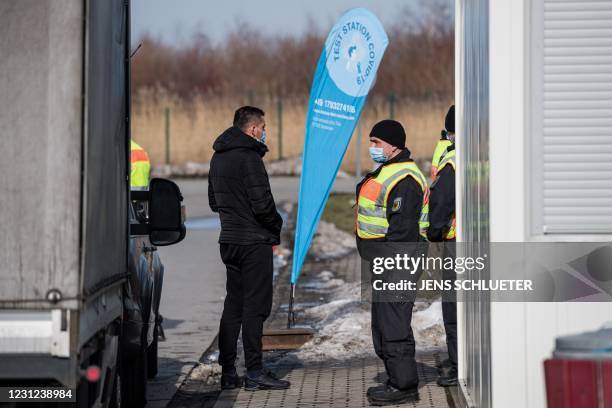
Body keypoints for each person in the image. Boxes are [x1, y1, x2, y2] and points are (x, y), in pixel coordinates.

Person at [208, 106, 290, 391]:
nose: (265, 132)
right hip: (253, 242)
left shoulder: (217, 157)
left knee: (234, 305)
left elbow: (213, 202)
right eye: (263, 127)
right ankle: (255, 371)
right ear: (254, 129)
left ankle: (228, 371)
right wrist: (276, 224)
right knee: (255, 308)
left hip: (229, 240)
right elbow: (262, 204)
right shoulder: (250, 159)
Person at [355, 119, 429, 405]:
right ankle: (395, 378)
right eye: (371, 141)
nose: (372, 147)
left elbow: (403, 230)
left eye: (377, 142)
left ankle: (404, 386)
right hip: (386, 261)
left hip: (398, 260)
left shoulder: (405, 179)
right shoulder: (389, 170)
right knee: (384, 321)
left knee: (394, 322)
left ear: (393, 144)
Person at [427, 105, 458, 387]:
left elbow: (442, 201)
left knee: (454, 305)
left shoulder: (451, 160)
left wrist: (434, 231)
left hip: (454, 241)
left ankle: (458, 363)